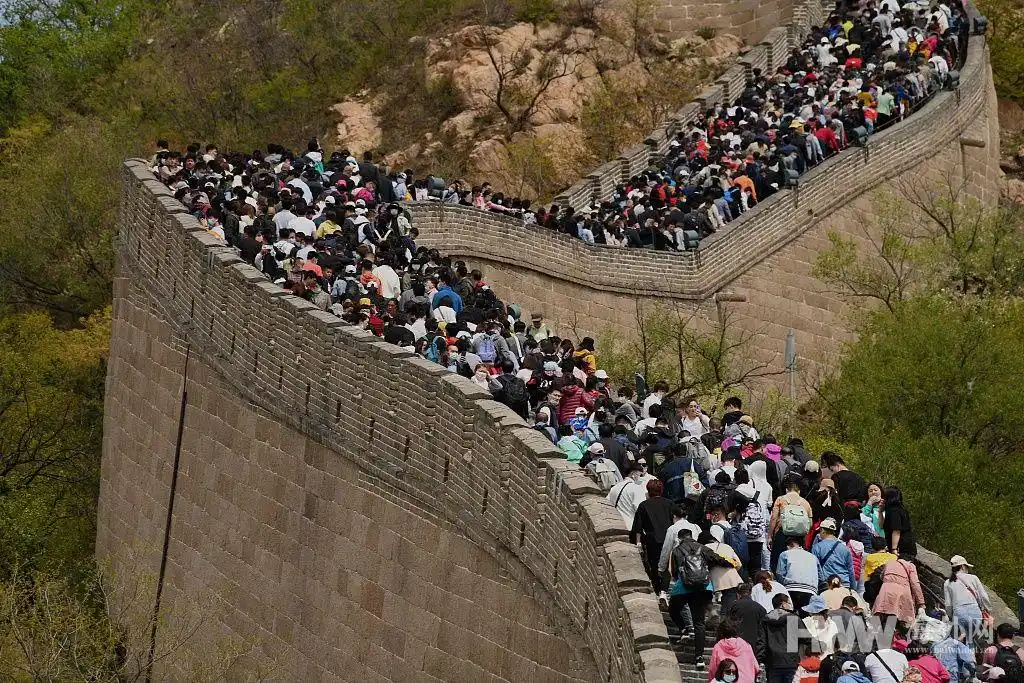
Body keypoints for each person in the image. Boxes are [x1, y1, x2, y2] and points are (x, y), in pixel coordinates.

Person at [668, 527, 735, 669]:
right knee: (699, 622)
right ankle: (699, 658)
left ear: (680, 539)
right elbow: (717, 559)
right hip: (704, 588)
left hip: (683, 588)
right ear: (692, 536)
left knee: (673, 609)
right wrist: (730, 564)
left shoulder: (676, 551)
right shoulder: (702, 547)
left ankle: (684, 629)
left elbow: (674, 573)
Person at [632, 479, 676, 593]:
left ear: (648, 491)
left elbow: (638, 526)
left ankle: (657, 587)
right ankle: (664, 590)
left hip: (652, 540)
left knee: (654, 564)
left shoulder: (644, 505)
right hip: (668, 538)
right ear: (661, 490)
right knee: (666, 564)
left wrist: (638, 542)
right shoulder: (669, 503)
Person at [942, 554, 991, 643]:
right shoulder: (973, 578)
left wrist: (950, 616)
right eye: (966, 566)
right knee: (971, 641)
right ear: (962, 566)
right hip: (974, 611)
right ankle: (971, 654)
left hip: (959, 612)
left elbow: (948, 604)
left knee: (959, 640)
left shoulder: (948, 582)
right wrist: (988, 609)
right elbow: (983, 596)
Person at [769, 477, 813, 571]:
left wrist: (770, 535)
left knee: (776, 561)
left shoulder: (780, 499)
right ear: (799, 491)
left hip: (782, 533)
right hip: (799, 537)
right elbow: (810, 523)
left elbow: (773, 518)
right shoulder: (805, 503)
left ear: (786, 490)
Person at [872, 554, 925, 626]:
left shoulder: (889, 563)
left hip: (885, 591)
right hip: (901, 593)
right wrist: (921, 603)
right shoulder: (910, 566)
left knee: (880, 617)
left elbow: (882, 576)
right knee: (901, 620)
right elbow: (915, 584)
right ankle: (896, 634)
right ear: (909, 560)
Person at [761, 593, 801, 683]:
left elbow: (762, 642)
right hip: (790, 662)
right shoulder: (794, 619)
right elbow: (806, 638)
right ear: (783, 604)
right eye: (789, 602)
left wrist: (760, 659)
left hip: (773, 662)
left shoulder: (765, 620)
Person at [703, 530, 745, 614]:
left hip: (713, 579)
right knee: (728, 602)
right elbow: (739, 564)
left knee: (708, 601)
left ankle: (717, 618)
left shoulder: (703, 548)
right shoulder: (727, 547)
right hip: (731, 578)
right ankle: (725, 620)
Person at [811, 518, 856, 590]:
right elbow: (850, 570)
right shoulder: (845, 548)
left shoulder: (817, 548)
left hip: (827, 584)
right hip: (844, 584)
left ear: (822, 530)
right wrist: (853, 588)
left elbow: (815, 569)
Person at [777, 536, 818, 613]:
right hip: (810, 589)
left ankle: (792, 625)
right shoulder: (813, 557)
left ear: (788, 545)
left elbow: (780, 574)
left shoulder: (785, 554)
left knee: (791, 616)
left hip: (791, 588)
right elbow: (820, 575)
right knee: (805, 615)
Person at [726, 582, 767, 653]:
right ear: (750, 592)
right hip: (754, 647)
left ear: (738, 593)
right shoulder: (760, 608)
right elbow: (762, 632)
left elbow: (727, 625)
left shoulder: (733, 606)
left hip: (736, 646)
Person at [607, 464, 647, 530]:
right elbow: (640, 509)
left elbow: (607, 502)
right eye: (640, 475)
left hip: (614, 523)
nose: (641, 478)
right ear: (633, 474)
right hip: (629, 526)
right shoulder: (637, 489)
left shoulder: (616, 487)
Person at [882, 487, 917, 559]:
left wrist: (894, 549)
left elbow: (896, 530)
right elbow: (881, 525)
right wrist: (880, 511)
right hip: (907, 545)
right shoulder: (901, 509)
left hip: (902, 548)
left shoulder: (894, 511)